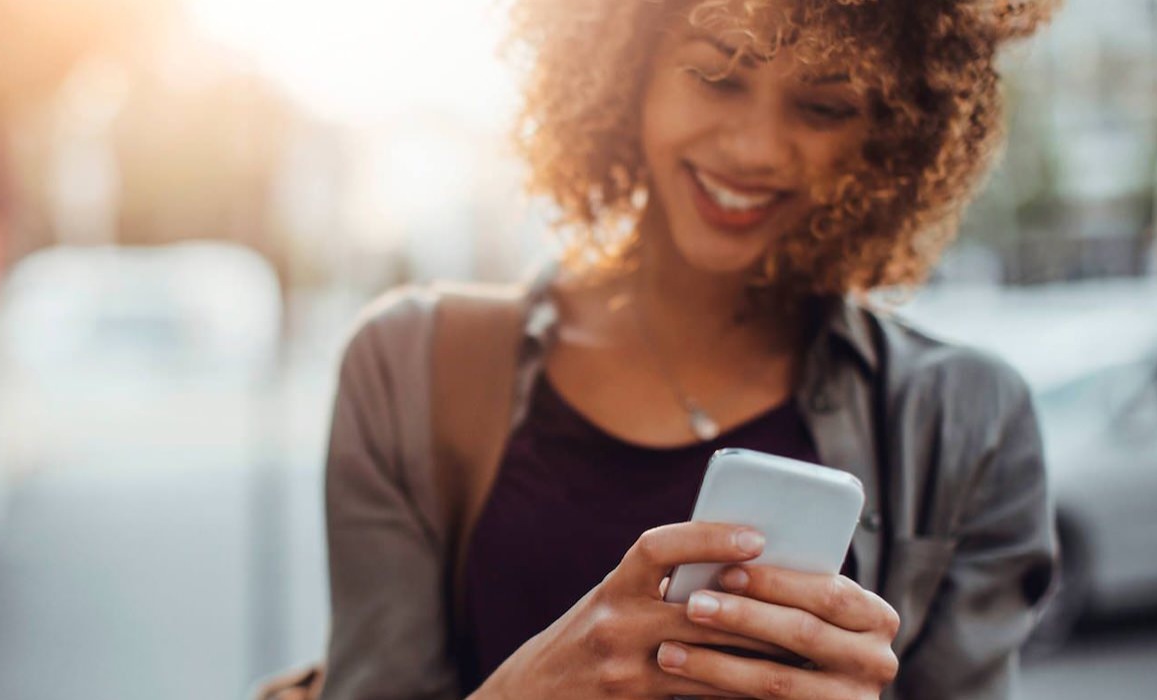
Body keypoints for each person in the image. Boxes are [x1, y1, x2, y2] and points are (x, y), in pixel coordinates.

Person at [318, 0, 1061, 698]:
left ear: (892, 134)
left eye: (824, 106)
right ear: (625, 66)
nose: (754, 148)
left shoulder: (971, 421)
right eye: (716, 76)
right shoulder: (410, 366)